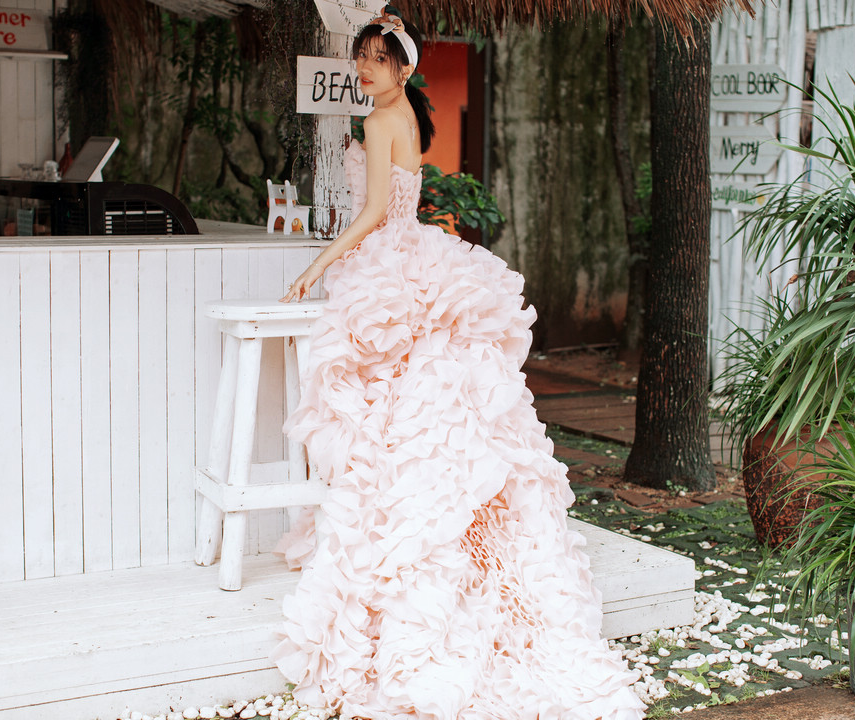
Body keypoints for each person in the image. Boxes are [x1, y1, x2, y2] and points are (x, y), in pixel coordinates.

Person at [275, 14, 645, 720]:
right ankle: (429, 534)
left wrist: (318, 263)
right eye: (361, 57)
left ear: (402, 69)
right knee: (410, 406)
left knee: (394, 408)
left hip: (389, 257)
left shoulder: (381, 121)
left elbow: (374, 213)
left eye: (377, 59)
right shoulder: (402, 116)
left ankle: (404, 542)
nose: (364, 69)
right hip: (408, 256)